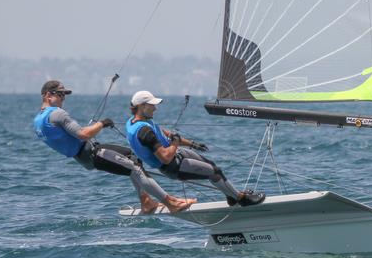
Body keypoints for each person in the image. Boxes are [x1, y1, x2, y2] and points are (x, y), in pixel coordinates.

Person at [33, 80, 195, 213]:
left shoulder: (38, 121)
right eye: (60, 94)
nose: (63, 98)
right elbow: (83, 134)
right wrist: (102, 123)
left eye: (64, 95)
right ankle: (170, 202)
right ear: (48, 95)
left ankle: (146, 201)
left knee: (133, 157)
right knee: (135, 169)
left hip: (84, 155)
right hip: (92, 153)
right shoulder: (57, 114)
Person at [125, 90, 265, 207]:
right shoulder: (144, 132)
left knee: (211, 165)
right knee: (215, 172)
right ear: (142, 106)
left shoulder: (136, 122)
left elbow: (163, 133)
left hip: (178, 155)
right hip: (173, 166)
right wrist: (174, 143)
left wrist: (191, 144)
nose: (155, 108)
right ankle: (241, 199)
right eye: (152, 105)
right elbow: (166, 158)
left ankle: (231, 196)